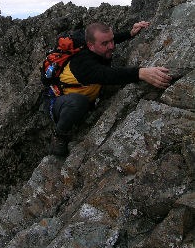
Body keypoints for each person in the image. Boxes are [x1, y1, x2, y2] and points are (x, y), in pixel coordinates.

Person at [49, 21, 172, 156]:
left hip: (84, 95)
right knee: (79, 102)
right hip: (60, 102)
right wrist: (141, 73)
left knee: (82, 100)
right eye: (105, 44)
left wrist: (130, 33)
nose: (111, 46)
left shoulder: (96, 45)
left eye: (112, 40)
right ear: (90, 46)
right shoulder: (83, 64)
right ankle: (59, 134)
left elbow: (108, 40)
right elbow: (107, 75)